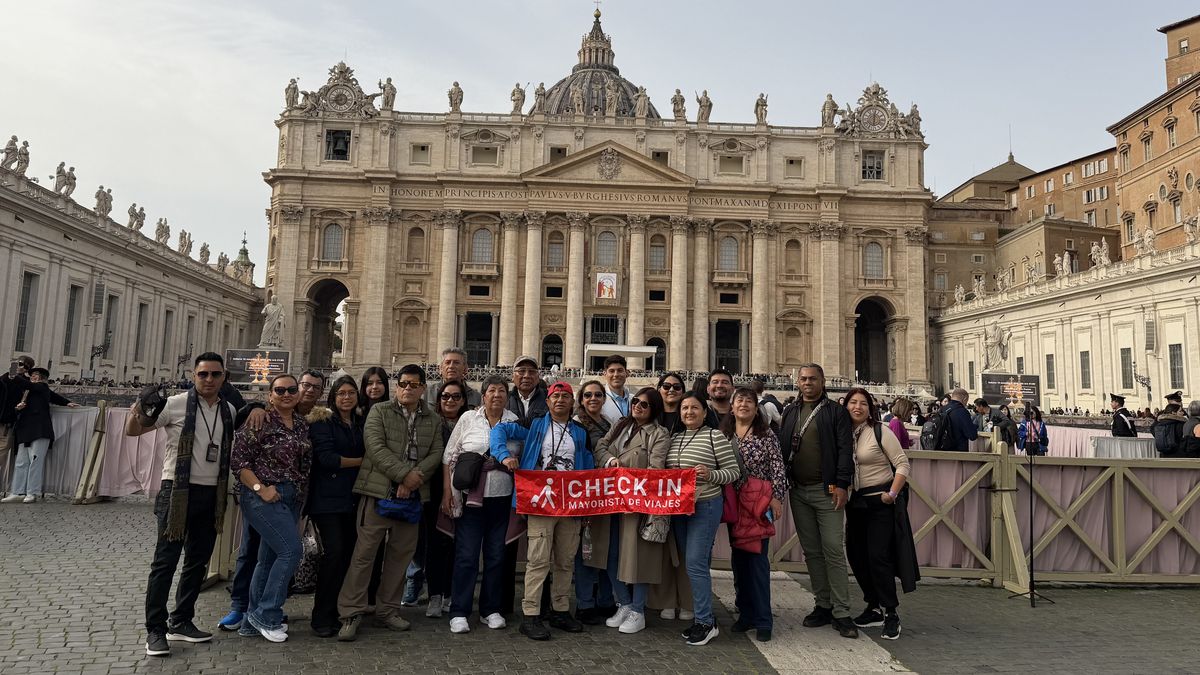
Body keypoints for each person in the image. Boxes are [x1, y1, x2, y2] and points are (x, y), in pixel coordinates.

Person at [126, 353, 237, 657]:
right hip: (176, 491)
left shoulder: (228, 409)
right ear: (193, 375)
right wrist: (141, 406)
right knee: (165, 562)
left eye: (215, 375)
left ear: (224, 377)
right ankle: (155, 629)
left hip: (211, 493)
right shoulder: (174, 403)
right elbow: (134, 430)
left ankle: (182, 620)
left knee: (197, 562)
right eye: (203, 375)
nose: (209, 380)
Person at [337, 365, 444, 641]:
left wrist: (414, 480)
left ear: (423, 388)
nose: (408, 389)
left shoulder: (432, 419)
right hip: (379, 493)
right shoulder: (379, 411)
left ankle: (388, 610)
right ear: (397, 386)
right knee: (364, 556)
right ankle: (350, 612)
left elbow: (436, 453)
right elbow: (375, 447)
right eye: (403, 383)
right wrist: (404, 477)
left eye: (414, 384)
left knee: (400, 558)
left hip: (412, 497)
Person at [219, 370, 326, 632]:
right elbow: (239, 462)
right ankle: (265, 613)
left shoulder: (301, 424)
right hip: (262, 496)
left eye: (291, 390)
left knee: (266, 559)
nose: (287, 394)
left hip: (291, 498)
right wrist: (260, 488)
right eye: (280, 390)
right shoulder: (260, 419)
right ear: (270, 394)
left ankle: (250, 621)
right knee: (290, 551)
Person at [492, 381, 594, 641]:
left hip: (570, 506)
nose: (560, 400)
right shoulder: (533, 425)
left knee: (565, 561)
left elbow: (589, 467)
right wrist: (504, 455)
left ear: (573, 403)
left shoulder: (580, 432)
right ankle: (531, 615)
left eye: (565, 397)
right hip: (541, 503)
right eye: (555, 396)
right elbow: (499, 432)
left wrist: (587, 505)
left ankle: (560, 610)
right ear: (547, 402)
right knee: (538, 561)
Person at [776, 363, 858, 639]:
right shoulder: (789, 412)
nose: (807, 382)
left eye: (813, 378)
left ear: (823, 381)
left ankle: (842, 610)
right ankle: (823, 604)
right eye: (803, 379)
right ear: (796, 382)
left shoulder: (836, 412)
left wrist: (843, 484)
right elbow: (780, 448)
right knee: (811, 550)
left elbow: (846, 449)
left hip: (828, 491)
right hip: (798, 491)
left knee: (833, 549)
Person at [441, 375, 518, 633]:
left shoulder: (514, 422)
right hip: (471, 499)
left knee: (496, 556)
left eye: (502, 391)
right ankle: (459, 610)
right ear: (483, 395)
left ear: (507, 396)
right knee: (467, 556)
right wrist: (447, 493)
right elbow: (449, 457)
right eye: (492, 390)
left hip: (502, 498)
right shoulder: (468, 419)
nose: (497, 395)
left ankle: (490, 609)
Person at [591, 387, 671, 635]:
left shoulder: (659, 434)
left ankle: (638, 610)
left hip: (638, 506)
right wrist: (609, 461)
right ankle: (624, 603)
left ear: (654, 408)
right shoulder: (619, 426)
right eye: (635, 401)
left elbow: (656, 470)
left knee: (640, 558)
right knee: (610, 554)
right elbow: (600, 449)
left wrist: (625, 472)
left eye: (644, 404)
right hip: (611, 502)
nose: (638, 406)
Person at [840, 388, 916, 641]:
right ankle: (873, 607)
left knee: (878, 557)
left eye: (862, 403)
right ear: (846, 405)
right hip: (856, 503)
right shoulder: (843, 433)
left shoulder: (881, 430)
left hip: (880, 502)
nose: (857, 407)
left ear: (870, 407)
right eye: (853, 402)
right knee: (856, 556)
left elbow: (903, 463)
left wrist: (891, 494)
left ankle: (891, 611)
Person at [668, 392, 741, 645]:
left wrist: (710, 474)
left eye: (694, 408)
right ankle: (704, 616)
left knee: (695, 563)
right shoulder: (675, 438)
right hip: (680, 509)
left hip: (705, 506)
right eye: (685, 408)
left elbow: (732, 472)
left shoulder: (715, 436)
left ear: (704, 411)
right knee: (697, 563)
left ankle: (705, 622)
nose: (689, 412)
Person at [719, 388, 786, 642]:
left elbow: (778, 468)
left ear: (756, 407)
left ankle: (763, 619)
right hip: (734, 505)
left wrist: (777, 498)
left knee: (758, 563)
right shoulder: (723, 434)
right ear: (732, 407)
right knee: (739, 561)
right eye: (739, 401)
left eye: (749, 401)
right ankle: (745, 613)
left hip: (758, 505)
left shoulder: (766, 434)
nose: (744, 404)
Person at [306, 375, 365, 637]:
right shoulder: (322, 421)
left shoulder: (358, 422)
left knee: (347, 555)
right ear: (333, 396)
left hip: (352, 498)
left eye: (351, 393)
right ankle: (321, 615)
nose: (347, 397)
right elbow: (327, 459)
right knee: (334, 553)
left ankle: (341, 610)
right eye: (341, 393)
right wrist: (363, 462)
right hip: (327, 500)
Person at [571, 379, 616, 623]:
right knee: (585, 549)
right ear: (581, 399)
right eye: (588, 395)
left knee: (606, 546)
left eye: (598, 395)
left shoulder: (609, 423)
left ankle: (605, 600)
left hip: (605, 492)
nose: (593, 399)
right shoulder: (575, 424)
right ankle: (585, 603)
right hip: (585, 490)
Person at [423, 379, 467, 620]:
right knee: (437, 544)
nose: (450, 401)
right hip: (435, 491)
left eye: (456, 397)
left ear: (463, 400)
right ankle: (435, 595)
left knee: (458, 545)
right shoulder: (430, 423)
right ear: (438, 400)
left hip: (463, 490)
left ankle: (451, 593)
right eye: (446, 396)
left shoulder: (471, 422)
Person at [651, 371, 693, 621]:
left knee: (687, 548)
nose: (671, 390)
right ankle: (665, 600)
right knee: (661, 548)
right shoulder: (650, 412)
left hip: (684, 492)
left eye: (676, 386)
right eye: (666, 386)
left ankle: (688, 600)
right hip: (656, 492)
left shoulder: (690, 413)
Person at [3, 366, 78, 502]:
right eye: (32, 375)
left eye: (36, 375)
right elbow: (56, 397)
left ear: (42, 378)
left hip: (40, 429)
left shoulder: (41, 387)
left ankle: (32, 492)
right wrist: (17, 407)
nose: (33, 377)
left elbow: (50, 395)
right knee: (21, 462)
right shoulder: (27, 391)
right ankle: (18, 491)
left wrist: (16, 372)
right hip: (25, 428)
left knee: (35, 461)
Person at [507, 356, 548, 422]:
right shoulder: (505, 399)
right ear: (513, 376)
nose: (526, 376)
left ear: (538, 377)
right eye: (521, 371)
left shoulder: (549, 399)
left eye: (532, 371)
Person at [599, 355, 633, 425]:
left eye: (620, 370)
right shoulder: (598, 401)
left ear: (627, 373)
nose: (616, 374)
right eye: (611, 371)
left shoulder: (634, 399)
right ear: (605, 374)